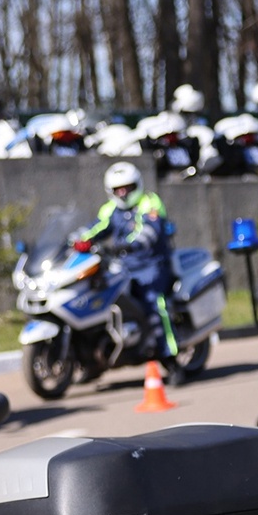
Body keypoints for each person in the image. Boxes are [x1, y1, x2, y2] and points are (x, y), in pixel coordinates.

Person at [79, 162, 178, 377]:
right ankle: (93, 360)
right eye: (118, 190)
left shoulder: (149, 201)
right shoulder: (110, 209)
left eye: (127, 188)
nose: (123, 193)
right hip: (122, 268)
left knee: (155, 303)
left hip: (151, 266)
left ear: (137, 185)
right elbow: (95, 228)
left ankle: (170, 358)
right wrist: (77, 240)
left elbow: (149, 231)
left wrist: (130, 244)